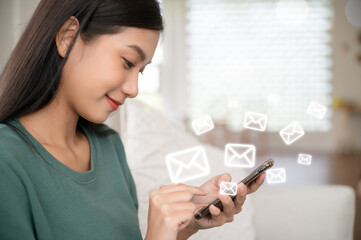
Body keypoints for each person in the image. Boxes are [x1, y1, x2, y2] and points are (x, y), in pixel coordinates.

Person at [0, 0, 265, 239]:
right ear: (68, 38)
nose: (134, 89)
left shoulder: (109, 148)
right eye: (128, 62)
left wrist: (187, 223)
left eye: (142, 71)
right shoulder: (7, 162)